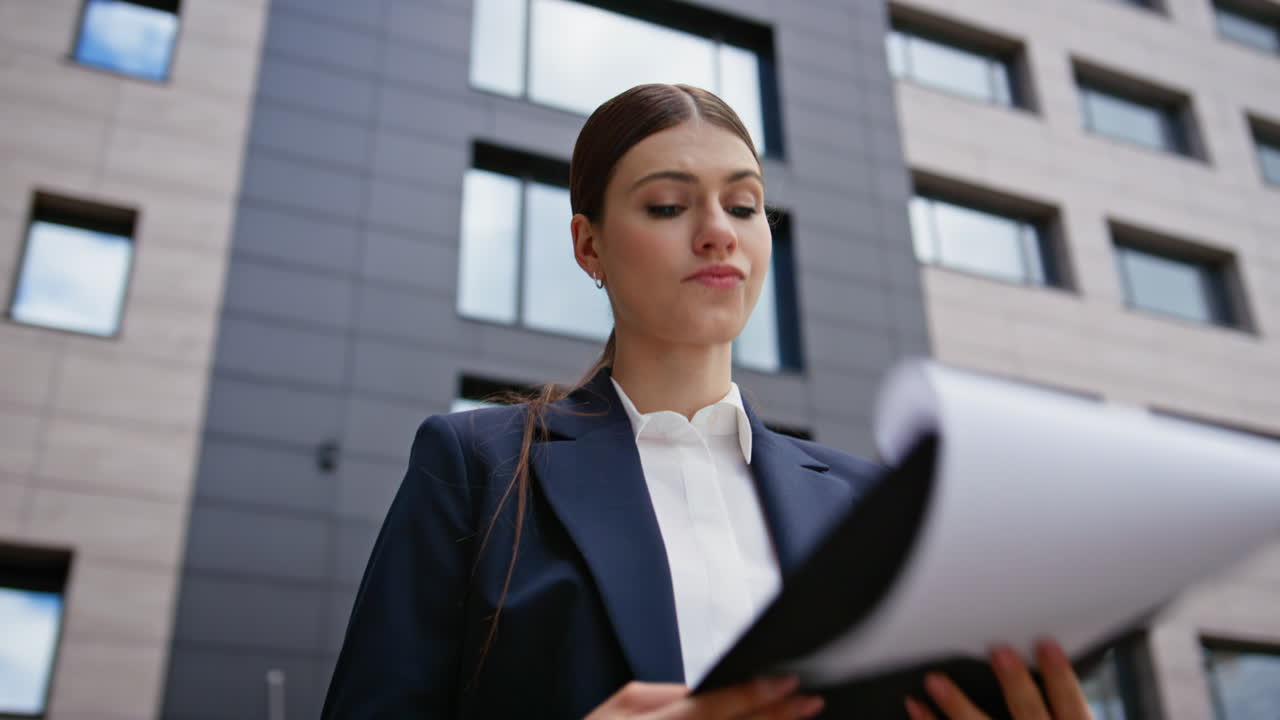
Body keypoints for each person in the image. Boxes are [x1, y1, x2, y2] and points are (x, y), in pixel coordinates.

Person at [321, 84, 1094, 720]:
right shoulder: (477, 467)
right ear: (588, 245)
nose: (719, 233)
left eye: (745, 205)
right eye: (667, 206)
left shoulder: (870, 506)